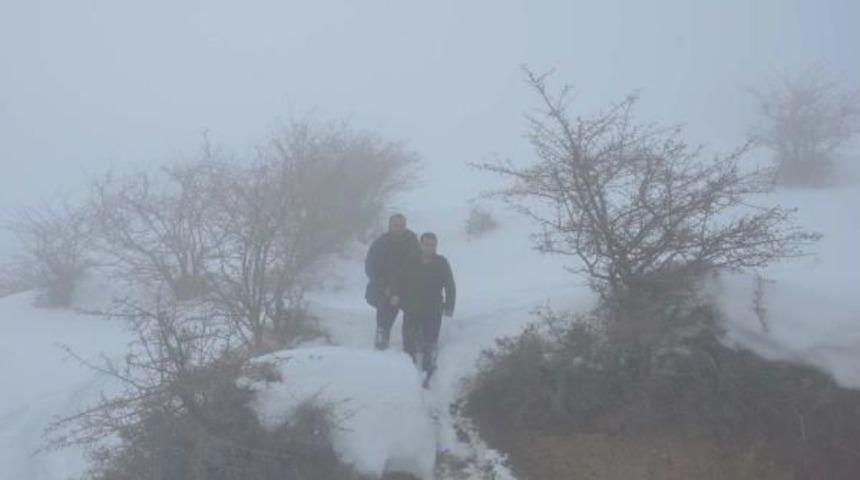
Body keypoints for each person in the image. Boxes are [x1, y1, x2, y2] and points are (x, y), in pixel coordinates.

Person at [402, 232, 456, 388]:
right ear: (420, 245)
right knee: (409, 344)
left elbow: (450, 286)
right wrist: (397, 297)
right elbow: (400, 280)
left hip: (433, 309)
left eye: (433, 245)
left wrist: (449, 306)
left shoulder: (442, 262)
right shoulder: (410, 261)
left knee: (430, 344)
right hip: (412, 307)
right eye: (427, 244)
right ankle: (408, 376)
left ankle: (428, 374)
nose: (430, 248)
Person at [364, 213, 420, 350]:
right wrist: (384, 287)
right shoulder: (380, 243)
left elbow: (418, 266)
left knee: (415, 307)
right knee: (387, 303)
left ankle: (412, 342)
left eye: (401, 225)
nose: (399, 228)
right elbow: (370, 268)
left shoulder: (412, 241)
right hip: (384, 286)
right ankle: (382, 336)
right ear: (389, 226)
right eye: (396, 225)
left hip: (407, 286)